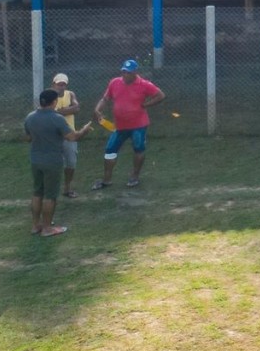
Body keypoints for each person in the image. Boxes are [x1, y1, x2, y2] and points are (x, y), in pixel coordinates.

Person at [24, 87, 95, 236]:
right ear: (54, 102)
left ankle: (36, 225)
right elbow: (72, 137)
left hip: (35, 160)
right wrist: (84, 130)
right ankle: (48, 228)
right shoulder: (57, 118)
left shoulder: (30, 117)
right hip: (52, 161)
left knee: (37, 192)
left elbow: (29, 138)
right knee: (50, 195)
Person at [91, 59, 165, 190]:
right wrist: (98, 109)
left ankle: (134, 176)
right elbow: (106, 98)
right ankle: (107, 179)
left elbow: (160, 95)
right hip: (120, 125)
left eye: (128, 72)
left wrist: (146, 104)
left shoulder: (144, 84)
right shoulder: (115, 82)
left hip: (138, 125)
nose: (125, 74)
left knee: (138, 148)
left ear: (135, 72)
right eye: (124, 71)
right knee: (110, 150)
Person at [51, 73, 83, 198]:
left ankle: (67, 188)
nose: (62, 87)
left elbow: (76, 108)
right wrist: (68, 110)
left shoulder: (70, 94)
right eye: (59, 84)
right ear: (53, 84)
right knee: (53, 164)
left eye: (64, 84)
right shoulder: (49, 95)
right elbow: (48, 112)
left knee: (71, 163)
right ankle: (52, 188)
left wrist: (59, 112)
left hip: (69, 134)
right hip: (53, 136)